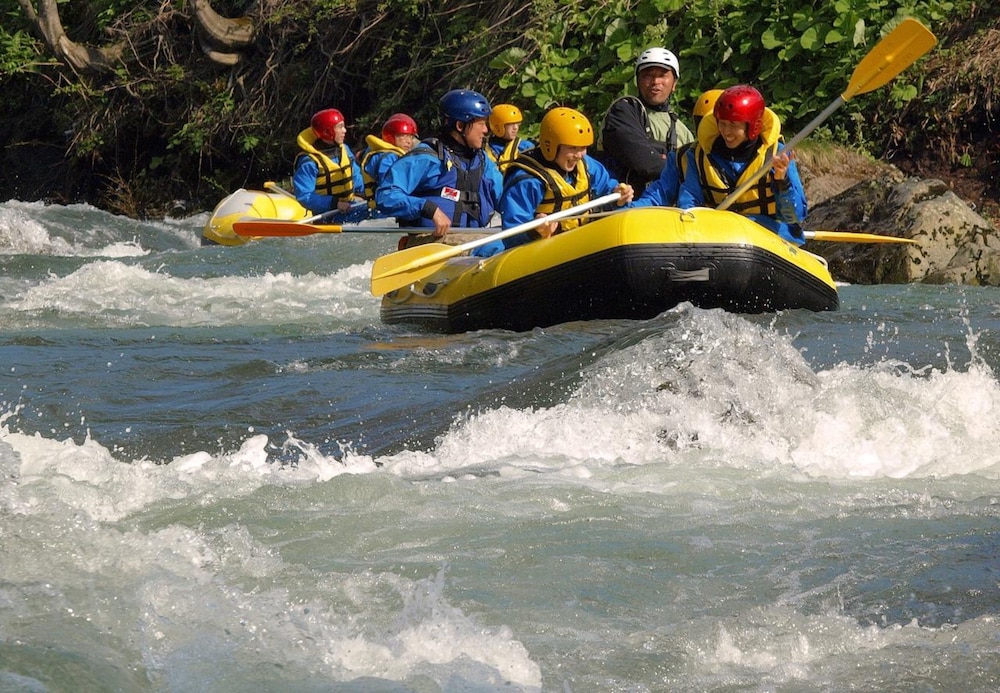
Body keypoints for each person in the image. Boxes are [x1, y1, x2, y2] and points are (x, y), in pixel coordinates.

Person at [472, 106, 634, 258]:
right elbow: (512, 232)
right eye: (573, 148)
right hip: (546, 253)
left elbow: (607, 187)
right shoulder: (529, 180)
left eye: (583, 148)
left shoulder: (587, 165)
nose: (579, 154)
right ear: (551, 146)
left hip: (585, 243)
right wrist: (535, 230)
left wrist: (619, 195)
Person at [677, 84, 807, 245]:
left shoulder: (778, 155)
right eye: (722, 123)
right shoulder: (700, 155)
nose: (726, 131)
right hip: (722, 237)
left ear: (752, 127)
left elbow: (794, 216)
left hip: (770, 237)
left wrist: (782, 181)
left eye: (733, 125)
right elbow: (689, 203)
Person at [375, 89, 503, 246]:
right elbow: (386, 195)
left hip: (472, 239)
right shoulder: (427, 158)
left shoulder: (483, 161)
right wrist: (428, 208)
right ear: (460, 125)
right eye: (481, 123)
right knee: (494, 245)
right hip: (433, 242)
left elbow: (506, 198)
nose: (486, 130)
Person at [599, 47, 695, 196]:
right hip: (626, 207)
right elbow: (644, 161)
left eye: (663, 75)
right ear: (638, 80)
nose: (655, 82)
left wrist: (659, 155)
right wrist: (670, 161)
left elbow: (694, 174)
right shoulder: (623, 111)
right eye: (647, 75)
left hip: (670, 211)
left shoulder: (683, 131)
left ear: (674, 83)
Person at [632, 88, 723, 208]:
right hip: (699, 222)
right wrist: (631, 210)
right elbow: (660, 193)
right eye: (703, 123)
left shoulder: (750, 157)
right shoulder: (683, 157)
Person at [292, 108, 364, 221]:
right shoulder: (309, 162)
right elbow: (304, 196)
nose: (344, 130)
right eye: (340, 127)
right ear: (327, 132)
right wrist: (335, 203)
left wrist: (371, 191)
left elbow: (356, 178)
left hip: (350, 207)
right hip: (327, 216)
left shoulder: (344, 150)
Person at [358, 113, 419, 217]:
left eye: (410, 136)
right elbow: (389, 189)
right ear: (390, 137)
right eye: (403, 136)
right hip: (384, 213)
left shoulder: (391, 155)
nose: (408, 141)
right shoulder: (387, 158)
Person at [486, 103, 534, 172]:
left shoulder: (525, 147)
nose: (515, 128)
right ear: (497, 126)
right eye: (511, 124)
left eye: (517, 124)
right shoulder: (483, 147)